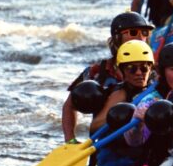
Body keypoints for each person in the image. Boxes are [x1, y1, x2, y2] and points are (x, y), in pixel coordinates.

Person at [62, 11, 153, 143]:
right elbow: (70, 105)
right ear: (116, 38)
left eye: (144, 33)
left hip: (143, 143)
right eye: (133, 33)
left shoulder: (155, 71)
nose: (140, 38)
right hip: (106, 143)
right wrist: (70, 140)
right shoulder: (97, 72)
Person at [88, 39, 156, 166]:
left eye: (144, 68)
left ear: (151, 68)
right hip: (123, 160)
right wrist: (123, 117)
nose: (139, 73)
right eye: (132, 69)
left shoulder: (155, 89)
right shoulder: (120, 94)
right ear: (121, 71)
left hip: (148, 154)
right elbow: (95, 126)